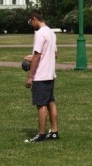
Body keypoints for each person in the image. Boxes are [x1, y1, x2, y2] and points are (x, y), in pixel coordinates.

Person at [24, 9, 60, 143]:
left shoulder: (39, 34)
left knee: (41, 105)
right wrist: (33, 57)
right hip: (50, 74)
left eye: (30, 22)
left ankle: (41, 134)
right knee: (51, 102)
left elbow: (38, 55)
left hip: (41, 75)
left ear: (34, 19)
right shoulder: (51, 32)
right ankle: (54, 131)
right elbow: (54, 54)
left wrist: (30, 76)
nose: (30, 25)